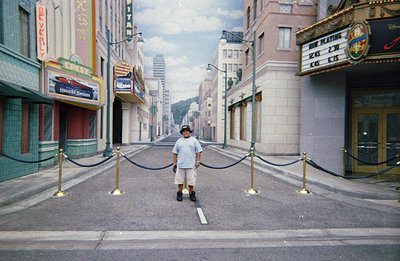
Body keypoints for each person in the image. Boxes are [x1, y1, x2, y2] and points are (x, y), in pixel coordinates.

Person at [172, 125, 203, 202]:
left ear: (190, 132)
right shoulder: (179, 141)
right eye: (184, 131)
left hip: (191, 165)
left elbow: (198, 151)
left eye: (187, 131)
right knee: (180, 181)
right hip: (180, 164)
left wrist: (198, 161)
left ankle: (191, 194)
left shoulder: (194, 140)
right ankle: (179, 193)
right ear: (182, 133)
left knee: (191, 181)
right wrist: (174, 162)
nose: (186, 132)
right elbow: (175, 153)